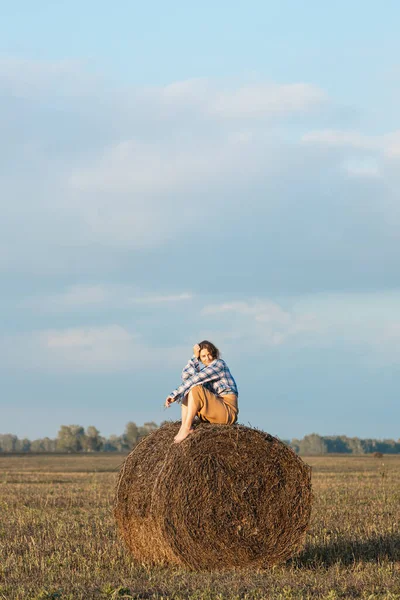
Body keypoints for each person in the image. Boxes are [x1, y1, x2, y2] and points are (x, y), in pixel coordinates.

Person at [165, 340, 239, 443]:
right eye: (203, 356)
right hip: (213, 411)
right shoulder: (206, 370)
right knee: (190, 389)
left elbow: (196, 379)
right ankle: (183, 426)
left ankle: (187, 427)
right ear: (200, 358)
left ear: (214, 354)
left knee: (195, 388)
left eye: (209, 354)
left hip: (227, 411)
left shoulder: (219, 364)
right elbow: (186, 376)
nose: (207, 358)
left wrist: (174, 394)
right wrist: (194, 357)